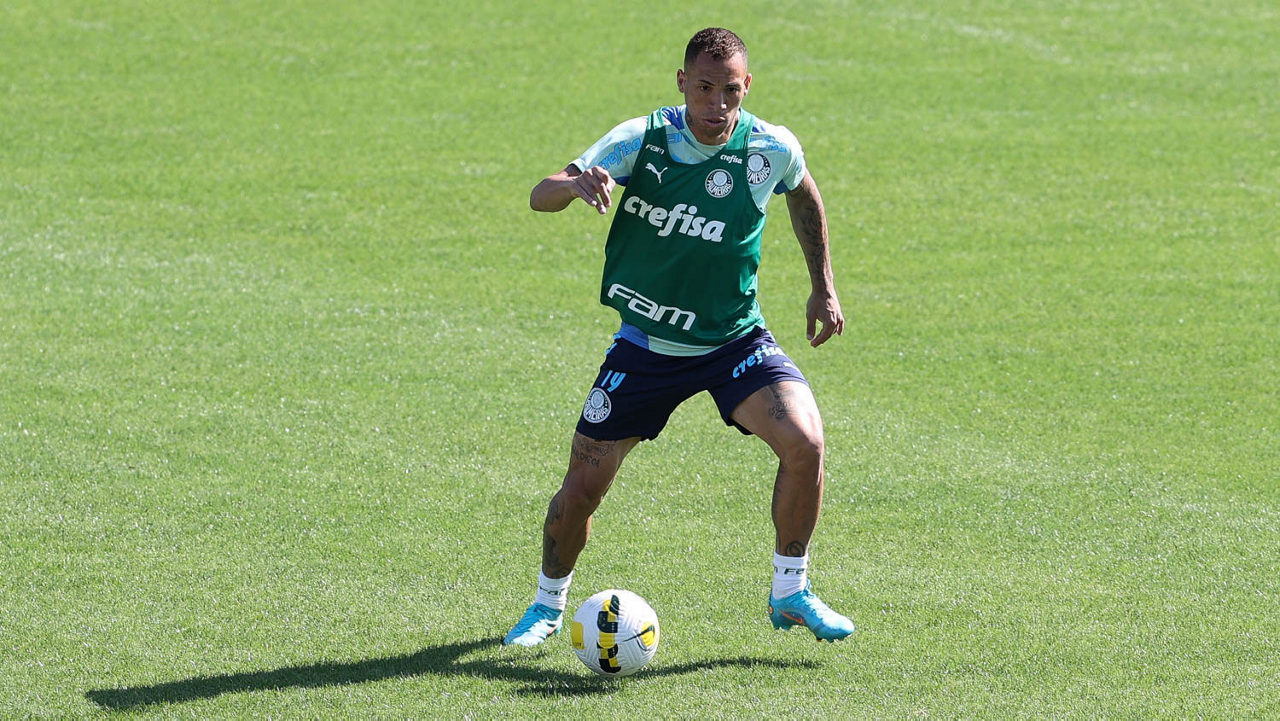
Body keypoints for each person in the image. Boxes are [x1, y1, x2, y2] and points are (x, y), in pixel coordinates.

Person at [503, 27, 854, 646]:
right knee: (580, 491)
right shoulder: (640, 140)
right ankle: (547, 606)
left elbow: (804, 196)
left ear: (747, 87)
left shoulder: (770, 148)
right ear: (682, 82)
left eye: (731, 91)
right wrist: (575, 184)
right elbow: (540, 195)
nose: (717, 105)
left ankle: (791, 590)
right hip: (647, 350)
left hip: (734, 343)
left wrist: (822, 286)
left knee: (805, 444)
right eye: (705, 89)